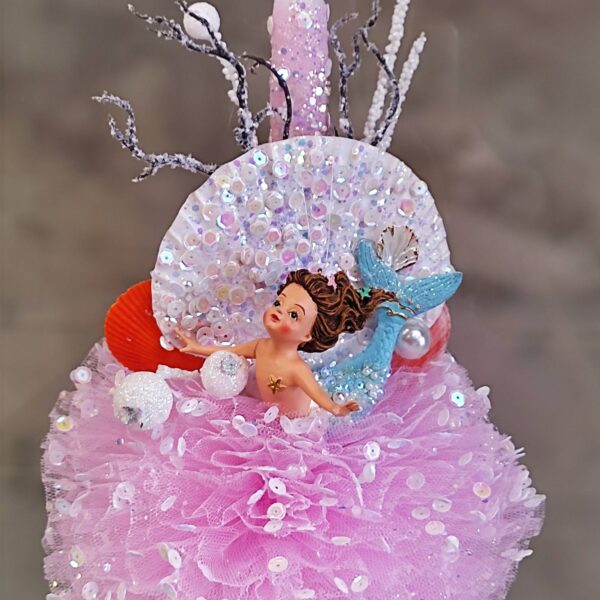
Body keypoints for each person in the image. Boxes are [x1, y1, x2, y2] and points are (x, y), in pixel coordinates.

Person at [176, 268, 397, 418]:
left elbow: (317, 393)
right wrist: (196, 348)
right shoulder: (260, 346)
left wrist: (336, 409)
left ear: (307, 334)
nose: (280, 311)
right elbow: (230, 352)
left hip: (295, 425)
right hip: (267, 414)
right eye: (278, 303)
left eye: (293, 315)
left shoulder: (296, 369)